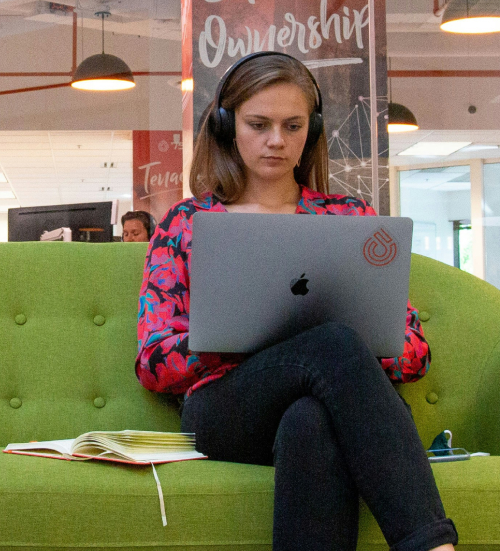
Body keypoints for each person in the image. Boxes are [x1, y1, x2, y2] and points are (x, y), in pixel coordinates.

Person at [135, 51, 458, 551]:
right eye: (259, 124)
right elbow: (153, 362)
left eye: (292, 125)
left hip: (327, 402)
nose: (276, 141)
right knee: (329, 344)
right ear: (226, 126)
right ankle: (431, 545)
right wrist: (260, 339)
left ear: (313, 129)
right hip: (223, 412)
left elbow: (414, 350)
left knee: (312, 420)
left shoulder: (351, 216)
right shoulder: (186, 222)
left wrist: (346, 344)